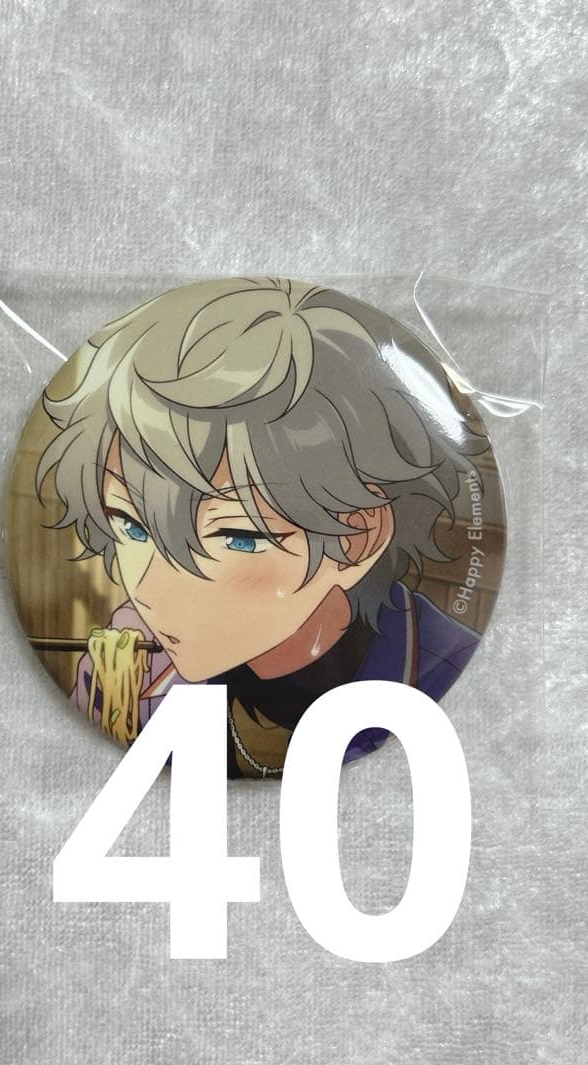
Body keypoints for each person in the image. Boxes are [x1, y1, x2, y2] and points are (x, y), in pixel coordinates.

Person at [36, 277, 486, 777]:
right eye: (133, 527)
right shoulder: (137, 661)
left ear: (356, 538)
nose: (148, 593)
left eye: (237, 537)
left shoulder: (443, 671)